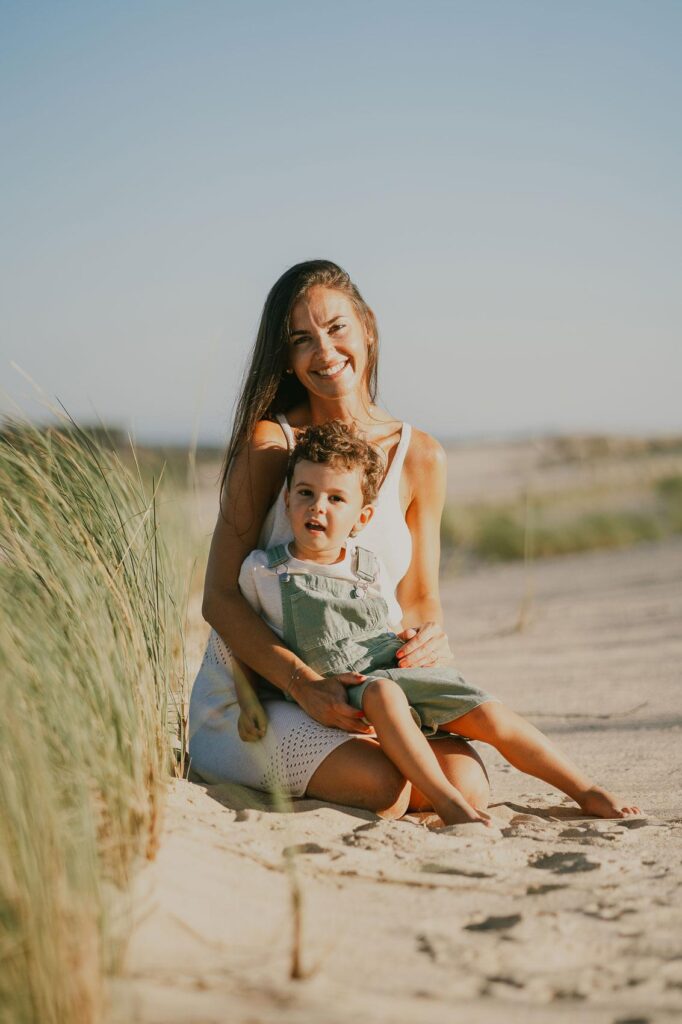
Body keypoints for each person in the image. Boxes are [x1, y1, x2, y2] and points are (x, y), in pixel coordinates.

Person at [189, 258, 490, 818]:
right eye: (301, 339)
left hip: (367, 689)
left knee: (467, 781)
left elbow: (419, 598)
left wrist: (429, 643)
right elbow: (219, 597)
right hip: (260, 694)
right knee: (385, 787)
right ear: (286, 357)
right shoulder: (271, 444)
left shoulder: (420, 455)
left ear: (367, 326)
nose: (324, 352)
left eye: (336, 328)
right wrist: (304, 685)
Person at [235, 421, 642, 824]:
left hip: (396, 668)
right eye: (306, 493)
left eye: (336, 498)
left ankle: (584, 789)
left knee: (489, 713)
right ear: (287, 501)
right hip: (349, 686)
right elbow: (242, 640)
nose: (318, 507)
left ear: (362, 518)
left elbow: (393, 619)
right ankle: (447, 801)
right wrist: (248, 698)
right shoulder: (264, 572)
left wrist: (422, 645)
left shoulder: (367, 567)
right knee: (383, 696)